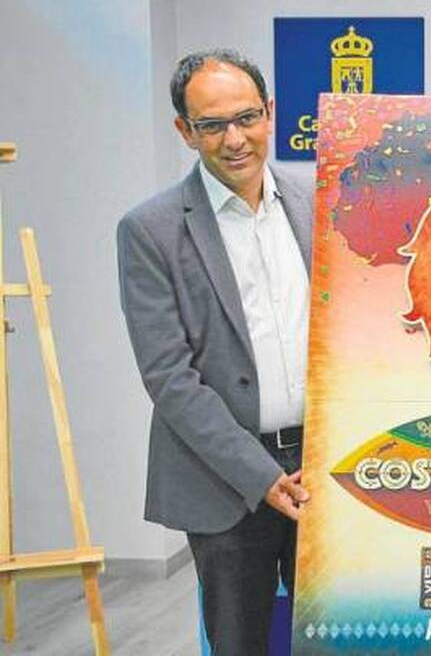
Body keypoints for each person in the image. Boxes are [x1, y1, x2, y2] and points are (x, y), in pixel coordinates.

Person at [117, 49, 312, 655]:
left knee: (333, 638)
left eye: (247, 118)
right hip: (221, 481)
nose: (235, 139)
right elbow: (169, 377)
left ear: (270, 112)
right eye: (212, 125)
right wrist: (261, 476)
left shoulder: (319, 202)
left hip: (320, 470)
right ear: (185, 131)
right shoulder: (149, 230)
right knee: (239, 644)